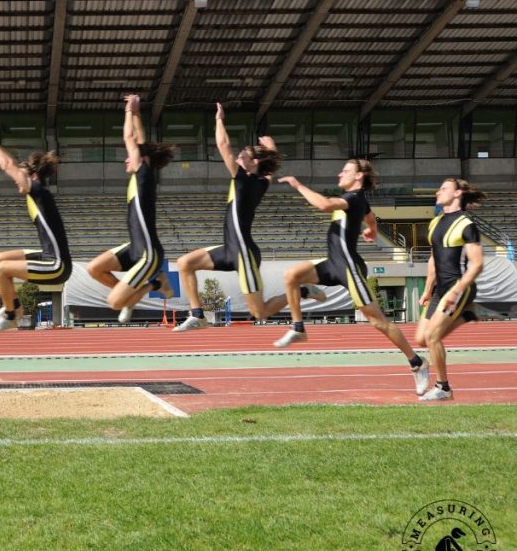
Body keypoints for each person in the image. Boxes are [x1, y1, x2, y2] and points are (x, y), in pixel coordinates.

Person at [274, 159, 429, 388]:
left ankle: (417, 362)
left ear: (358, 177)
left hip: (349, 268)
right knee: (291, 276)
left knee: (379, 322)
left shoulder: (353, 199)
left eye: (345, 171)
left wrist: (298, 185)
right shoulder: (359, 203)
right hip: (332, 263)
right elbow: (370, 216)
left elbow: (324, 205)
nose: (339, 174)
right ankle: (299, 327)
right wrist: (372, 229)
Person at [174, 102, 323, 331]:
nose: (239, 154)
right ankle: (197, 315)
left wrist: (219, 119)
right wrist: (271, 148)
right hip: (229, 248)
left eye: (243, 153)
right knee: (185, 263)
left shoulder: (243, 179)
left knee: (259, 312)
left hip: (244, 253)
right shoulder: (261, 181)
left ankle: (302, 290)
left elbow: (222, 144)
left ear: (253, 163)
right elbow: (270, 170)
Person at [86, 94, 175, 322]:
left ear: (141, 159)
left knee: (114, 302)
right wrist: (136, 112)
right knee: (94, 268)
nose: (126, 160)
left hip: (148, 253)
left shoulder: (143, 174)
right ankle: (130, 297)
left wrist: (127, 110)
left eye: (131, 156)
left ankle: (154, 283)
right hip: (134, 247)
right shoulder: (142, 173)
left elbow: (129, 137)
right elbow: (139, 139)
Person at [0, 126, 71, 332]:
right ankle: (14, 307)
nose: (16, 181)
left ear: (33, 176)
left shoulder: (38, 191)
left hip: (57, 265)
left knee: (2, 270)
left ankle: (10, 317)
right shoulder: (36, 194)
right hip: (48, 255)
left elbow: (7, 164)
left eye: (22, 175)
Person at [414, 178, 486, 401]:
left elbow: (477, 263)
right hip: (440, 289)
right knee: (421, 339)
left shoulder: (466, 224)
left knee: (433, 337)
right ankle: (467, 315)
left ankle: (443, 387)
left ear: (457, 194)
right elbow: (434, 259)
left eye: (443, 188)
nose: (438, 192)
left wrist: (459, 289)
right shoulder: (436, 222)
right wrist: (427, 290)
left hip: (457, 287)